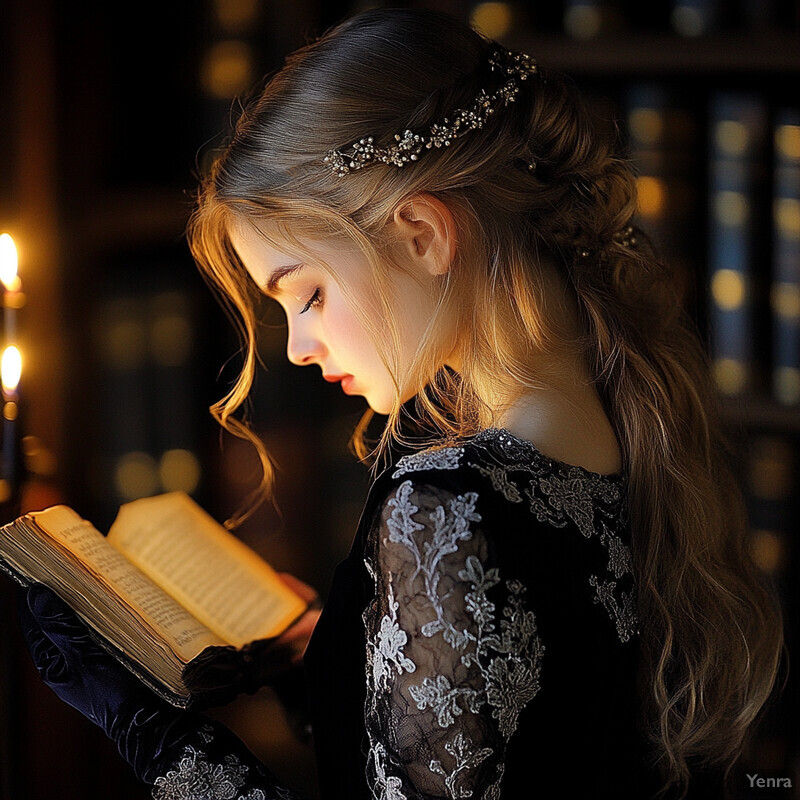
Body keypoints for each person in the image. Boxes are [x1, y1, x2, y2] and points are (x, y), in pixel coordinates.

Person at [17, 7, 787, 800]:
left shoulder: (442, 510)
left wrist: (154, 736)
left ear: (420, 232)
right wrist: (354, 657)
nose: (296, 348)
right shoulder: (624, 414)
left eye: (307, 294)